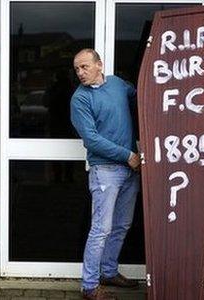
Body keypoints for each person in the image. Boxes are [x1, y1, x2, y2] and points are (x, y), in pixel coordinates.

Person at [70, 48, 141, 300]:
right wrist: (128, 155)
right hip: (106, 171)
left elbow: (143, 98)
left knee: (122, 225)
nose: (80, 72)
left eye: (85, 66)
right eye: (77, 68)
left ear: (99, 65)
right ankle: (89, 286)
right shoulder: (80, 99)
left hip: (130, 170)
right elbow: (92, 140)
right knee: (101, 229)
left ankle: (109, 272)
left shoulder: (119, 85)